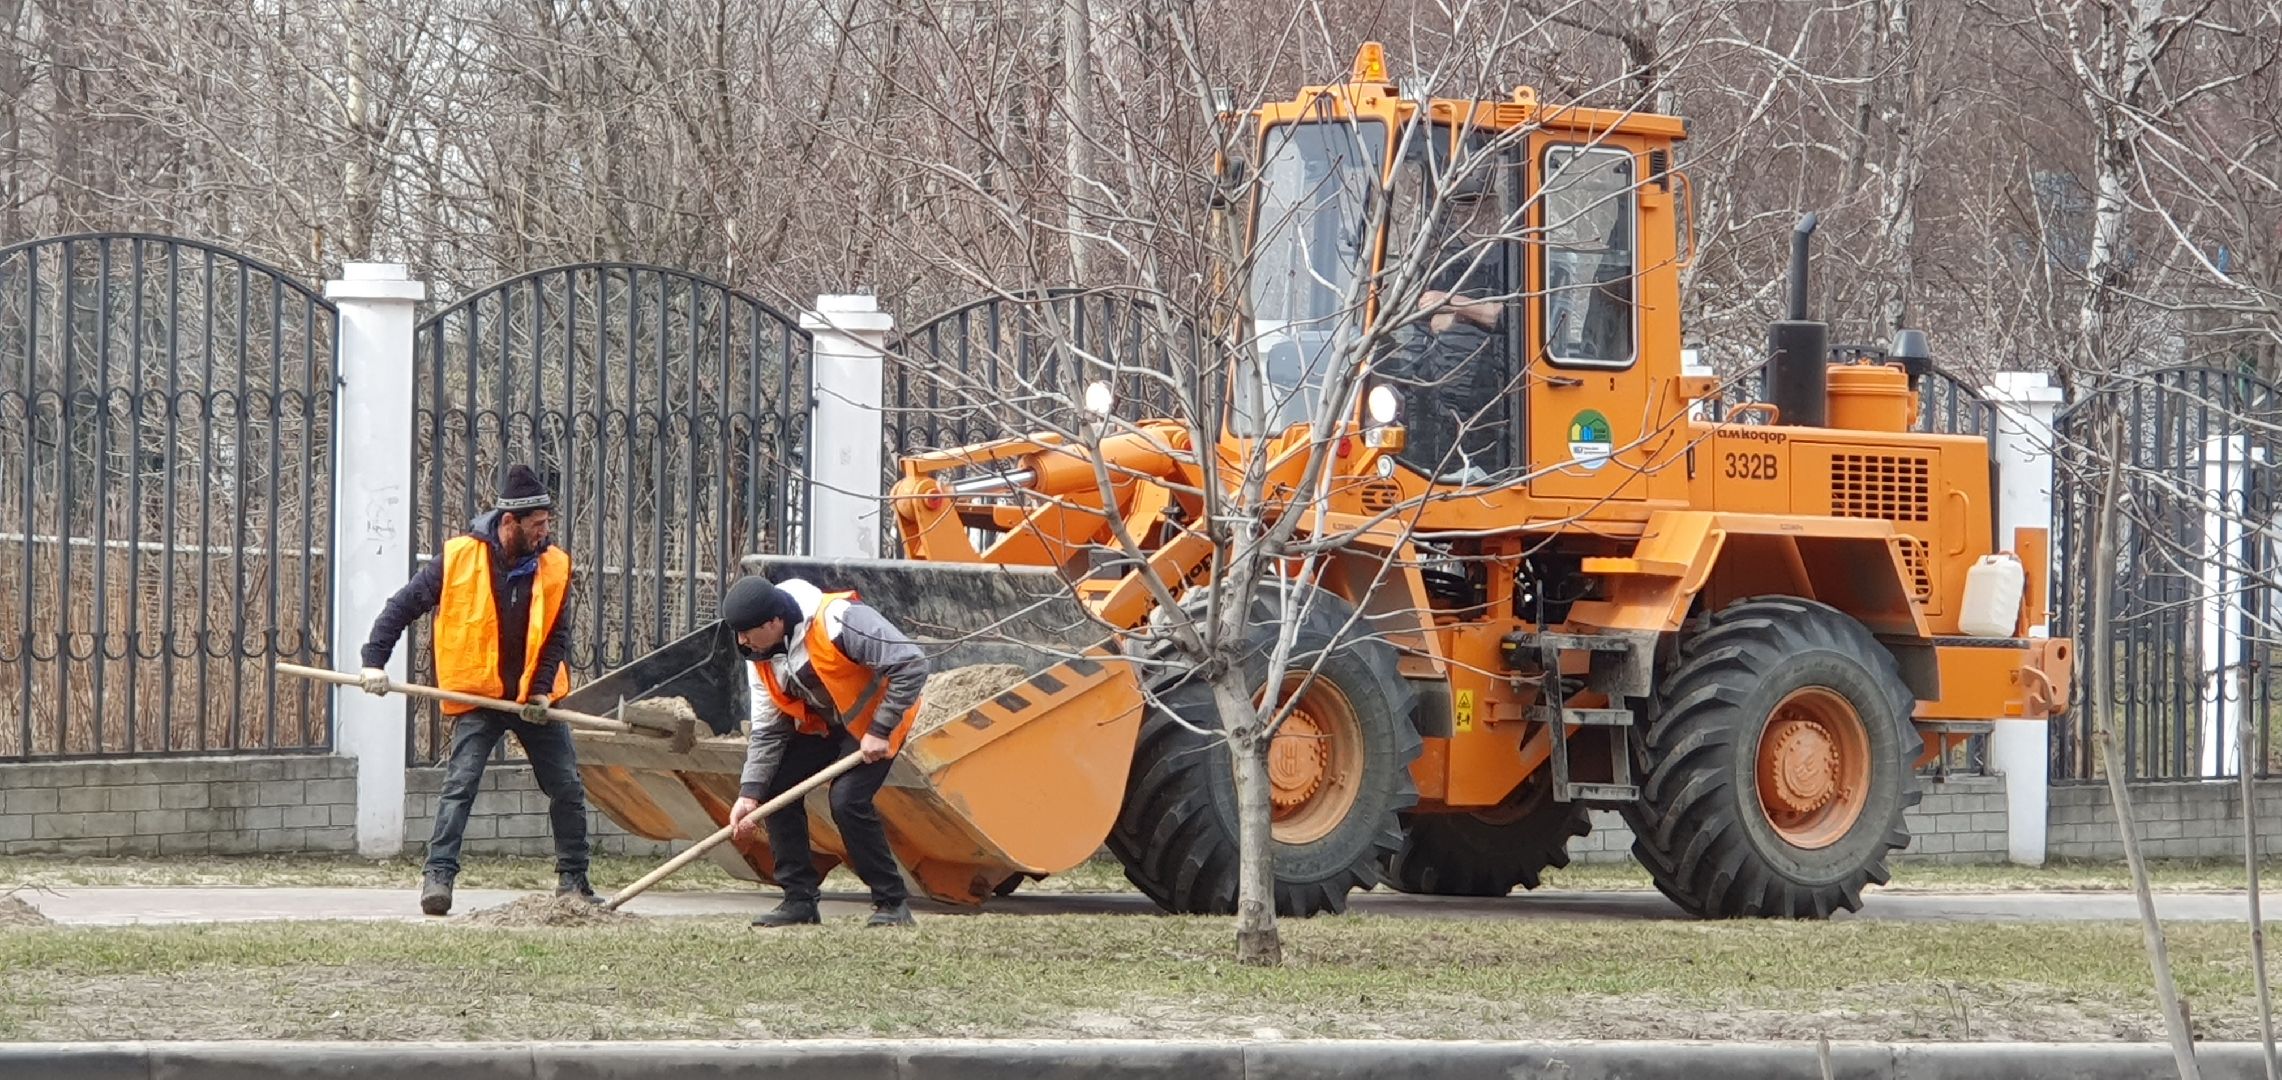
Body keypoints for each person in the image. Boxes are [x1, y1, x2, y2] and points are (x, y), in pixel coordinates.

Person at [359, 464, 593, 916]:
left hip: (533, 700)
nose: (546, 533)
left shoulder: (555, 566)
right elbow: (402, 606)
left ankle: (574, 882)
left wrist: (542, 692)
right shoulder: (459, 559)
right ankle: (438, 878)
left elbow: (556, 638)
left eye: (548, 523)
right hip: (480, 696)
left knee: (566, 786)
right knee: (460, 785)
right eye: (538, 525)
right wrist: (374, 661)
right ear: (510, 524)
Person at [721, 574, 928, 928]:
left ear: (773, 622)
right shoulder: (758, 654)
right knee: (776, 790)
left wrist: (880, 729)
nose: (741, 641)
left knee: (847, 801)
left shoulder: (839, 619)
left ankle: (892, 903)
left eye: (746, 632)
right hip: (825, 726)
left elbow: (911, 663)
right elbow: (768, 730)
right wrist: (750, 794)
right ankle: (799, 900)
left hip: (876, 723)